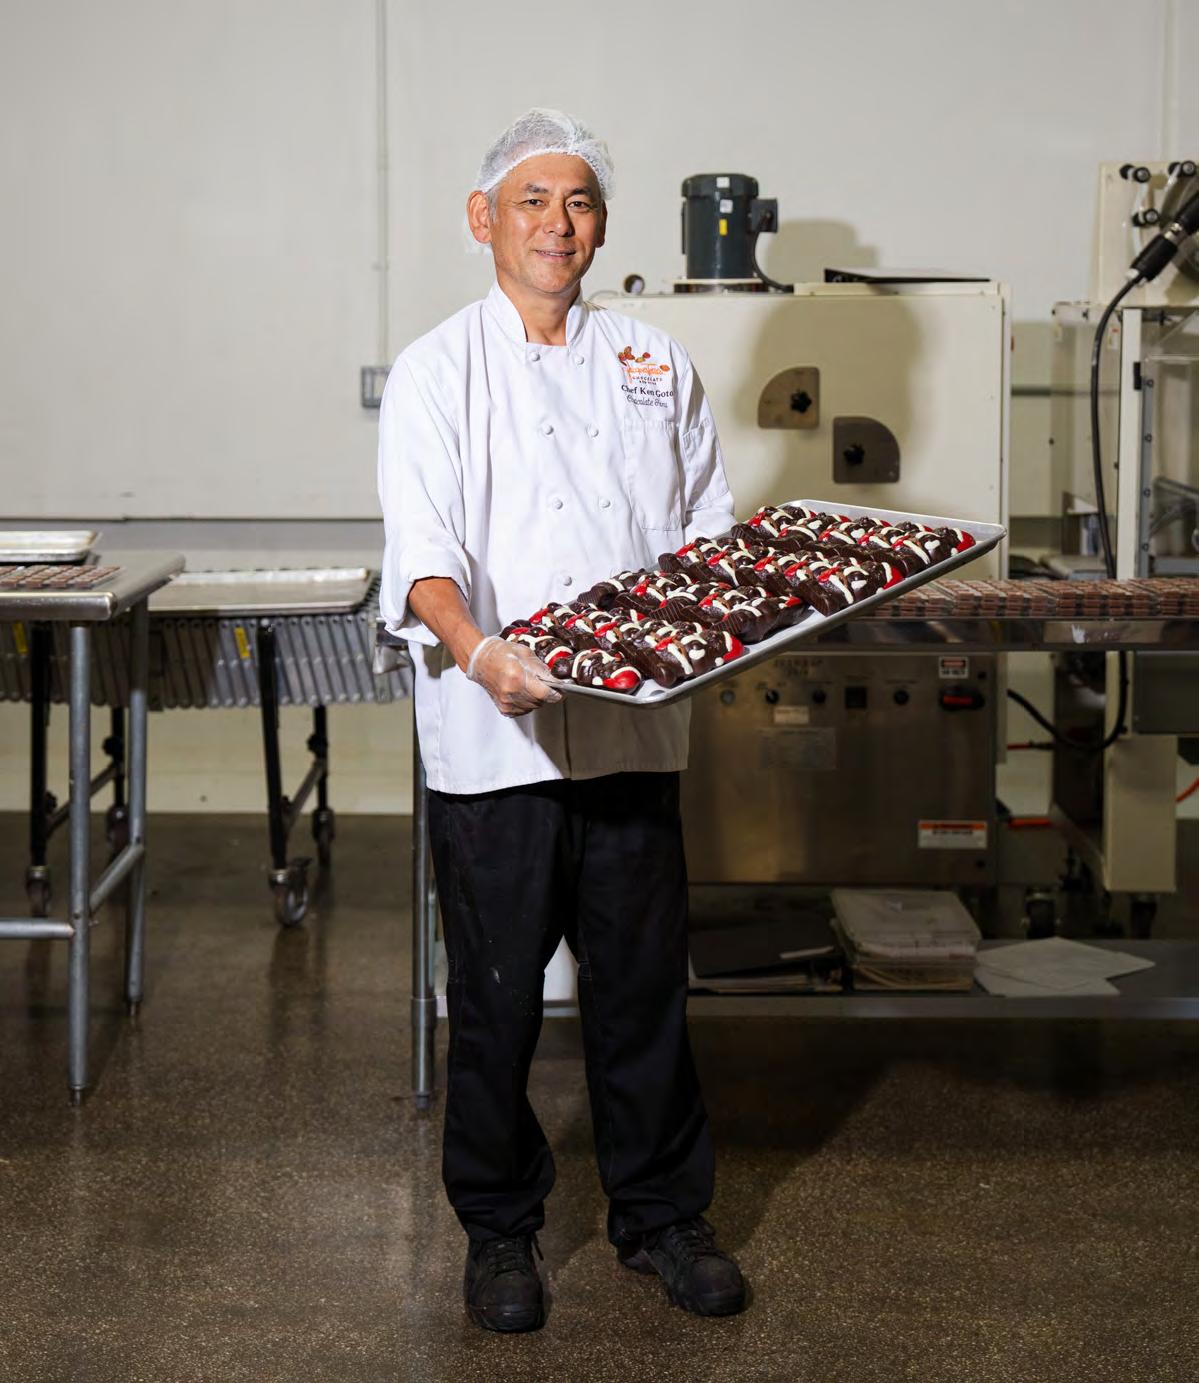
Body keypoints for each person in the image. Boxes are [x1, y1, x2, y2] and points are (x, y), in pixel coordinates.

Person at [378, 108, 745, 1333]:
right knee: (494, 1004)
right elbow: (423, 555)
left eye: (578, 201)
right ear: (482, 219)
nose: (557, 222)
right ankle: (499, 1230)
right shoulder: (438, 370)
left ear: (600, 226)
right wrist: (478, 651)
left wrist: (728, 622)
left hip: (633, 733)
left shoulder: (652, 362)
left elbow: (705, 533)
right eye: (532, 200)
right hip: (494, 745)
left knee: (642, 991)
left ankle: (661, 1216)